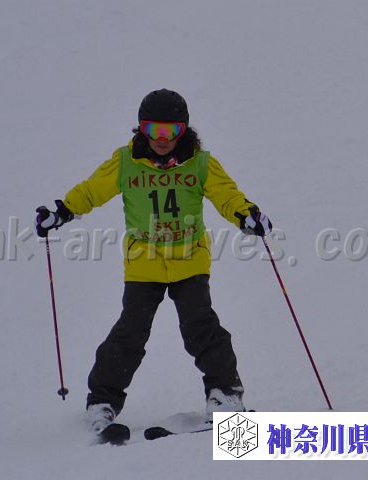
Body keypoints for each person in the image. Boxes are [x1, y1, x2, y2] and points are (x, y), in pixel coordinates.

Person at [35, 89, 272, 433]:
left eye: (171, 131)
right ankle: (102, 402)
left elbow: (227, 195)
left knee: (201, 327)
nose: (162, 139)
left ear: (184, 130)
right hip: (143, 262)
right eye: (153, 129)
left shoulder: (200, 163)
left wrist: (246, 215)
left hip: (189, 259)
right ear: (141, 128)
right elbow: (92, 190)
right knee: (131, 332)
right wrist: (62, 212)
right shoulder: (126, 162)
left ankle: (225, 396)